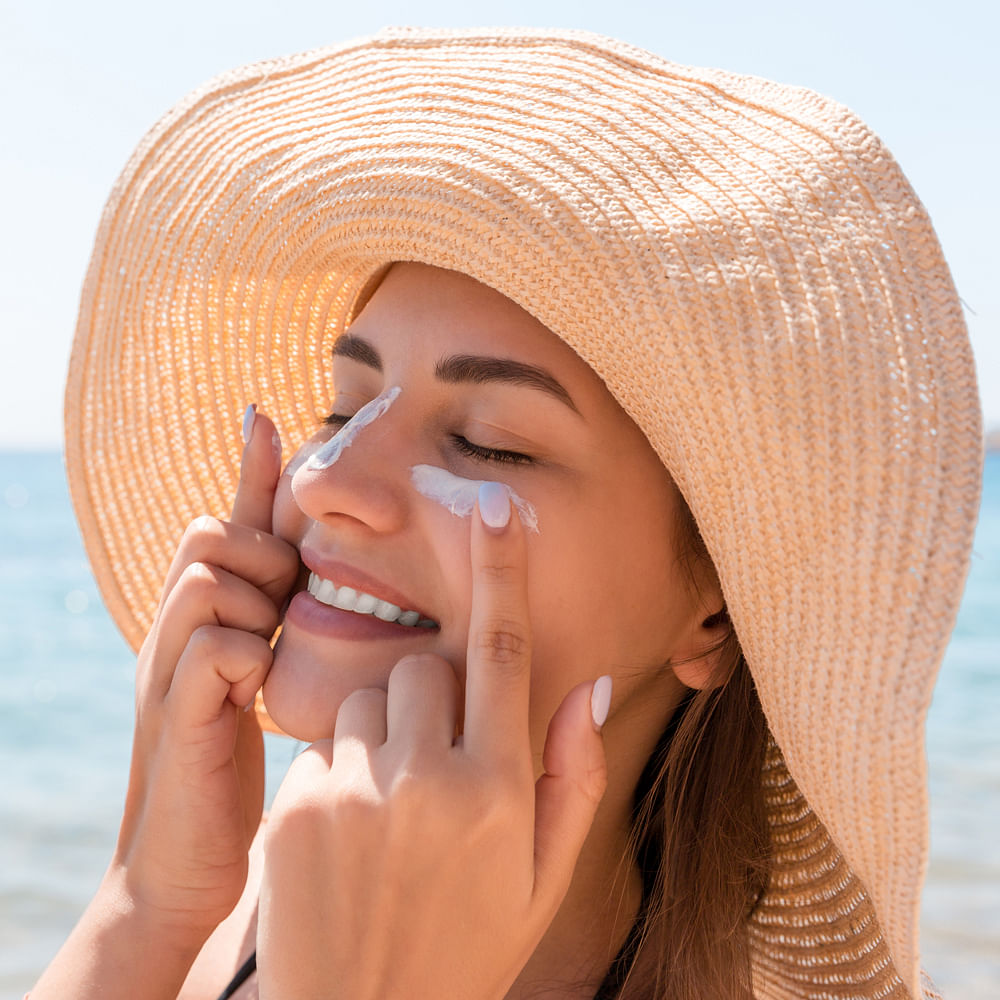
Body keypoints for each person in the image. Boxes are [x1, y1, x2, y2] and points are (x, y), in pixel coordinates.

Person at [32, 26, 981, 1000]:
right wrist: (146, 900)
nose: (325, 481)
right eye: (341, 410)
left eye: (490, 442)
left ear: (716, 609)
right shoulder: (290, 875)